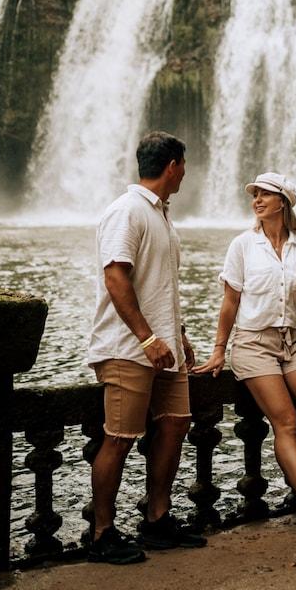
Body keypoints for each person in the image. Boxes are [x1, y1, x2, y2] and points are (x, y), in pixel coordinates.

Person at [194, 172, 296, 544]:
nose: (257, 200)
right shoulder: (243, 245)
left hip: (292, 342)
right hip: (253, 343)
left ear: (282, 202)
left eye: (265, 194)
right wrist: (220, 349)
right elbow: (230, 301)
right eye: (255, 195)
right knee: (285, 422)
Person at [86, 130, 206, 564]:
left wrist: (180, 334)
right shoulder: (127, 211)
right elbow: (115, 278)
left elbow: (159, 286)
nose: (185, 175)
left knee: (176, 424)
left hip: (164, 348)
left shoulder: (160, 215)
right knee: (117, 439)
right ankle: (101, 534)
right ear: (172, 166)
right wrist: (148, 338)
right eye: (184, 167)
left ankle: (157, 520)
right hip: (128, 348)